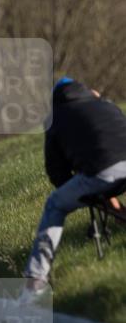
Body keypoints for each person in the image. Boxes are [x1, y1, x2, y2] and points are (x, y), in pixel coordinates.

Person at [23, 77, 126, 297]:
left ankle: (36, 281)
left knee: (55, 205)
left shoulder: (56, 118)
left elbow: (57, 172)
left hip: (102, 172)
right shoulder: (105, 104)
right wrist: (113, 205)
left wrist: (90, 197)